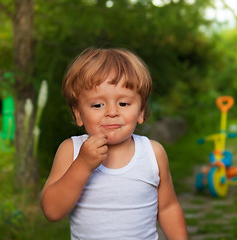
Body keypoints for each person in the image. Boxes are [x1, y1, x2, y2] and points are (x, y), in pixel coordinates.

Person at [40, 47, 188, 240]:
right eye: (97, 105)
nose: (111, 112)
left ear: (141, 111)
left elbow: (168, 207)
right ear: (78, 114)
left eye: (124, 104)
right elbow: (52, 211)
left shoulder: (153, 153)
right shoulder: (72, 151)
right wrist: (82, 165)